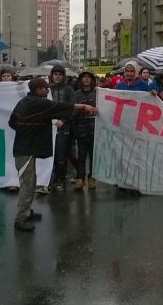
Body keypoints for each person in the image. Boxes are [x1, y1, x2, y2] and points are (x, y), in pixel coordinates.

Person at [9, 78, 97, 232]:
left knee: (32, 180)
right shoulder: (37, 103)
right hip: (25, 149)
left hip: (27, 147)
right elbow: (60, 106)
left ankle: (28, 211)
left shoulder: (26, 101)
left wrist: (29, 128)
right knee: (27, 184)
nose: (48, 90)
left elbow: (12, 122)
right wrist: (84, 106)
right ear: (37, 90)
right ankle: (20, 219)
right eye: (45, 88)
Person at [48, 64, 76, 192]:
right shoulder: (47, 89)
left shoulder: (69, 90)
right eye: (55, 74)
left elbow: (73, 108)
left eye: (60, 74)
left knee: (60, 156)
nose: (57, 77)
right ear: (52, 75)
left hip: (63, 128)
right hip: (47, 128)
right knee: (48, 156)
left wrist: (63, 120)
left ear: (63, 76)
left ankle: (60, 179)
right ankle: (48, 179)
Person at [71, 70, 98, 191]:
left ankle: (92, 177)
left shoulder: (98, 93)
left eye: (89, 77)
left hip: (95, 130)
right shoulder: (76, 94)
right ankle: (80, 178)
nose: (86, 79)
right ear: (80, 80)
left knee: (93, 155)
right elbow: (72, 111)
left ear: (92, 80)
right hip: (81, 130)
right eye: (84, 77)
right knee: (81, 156)